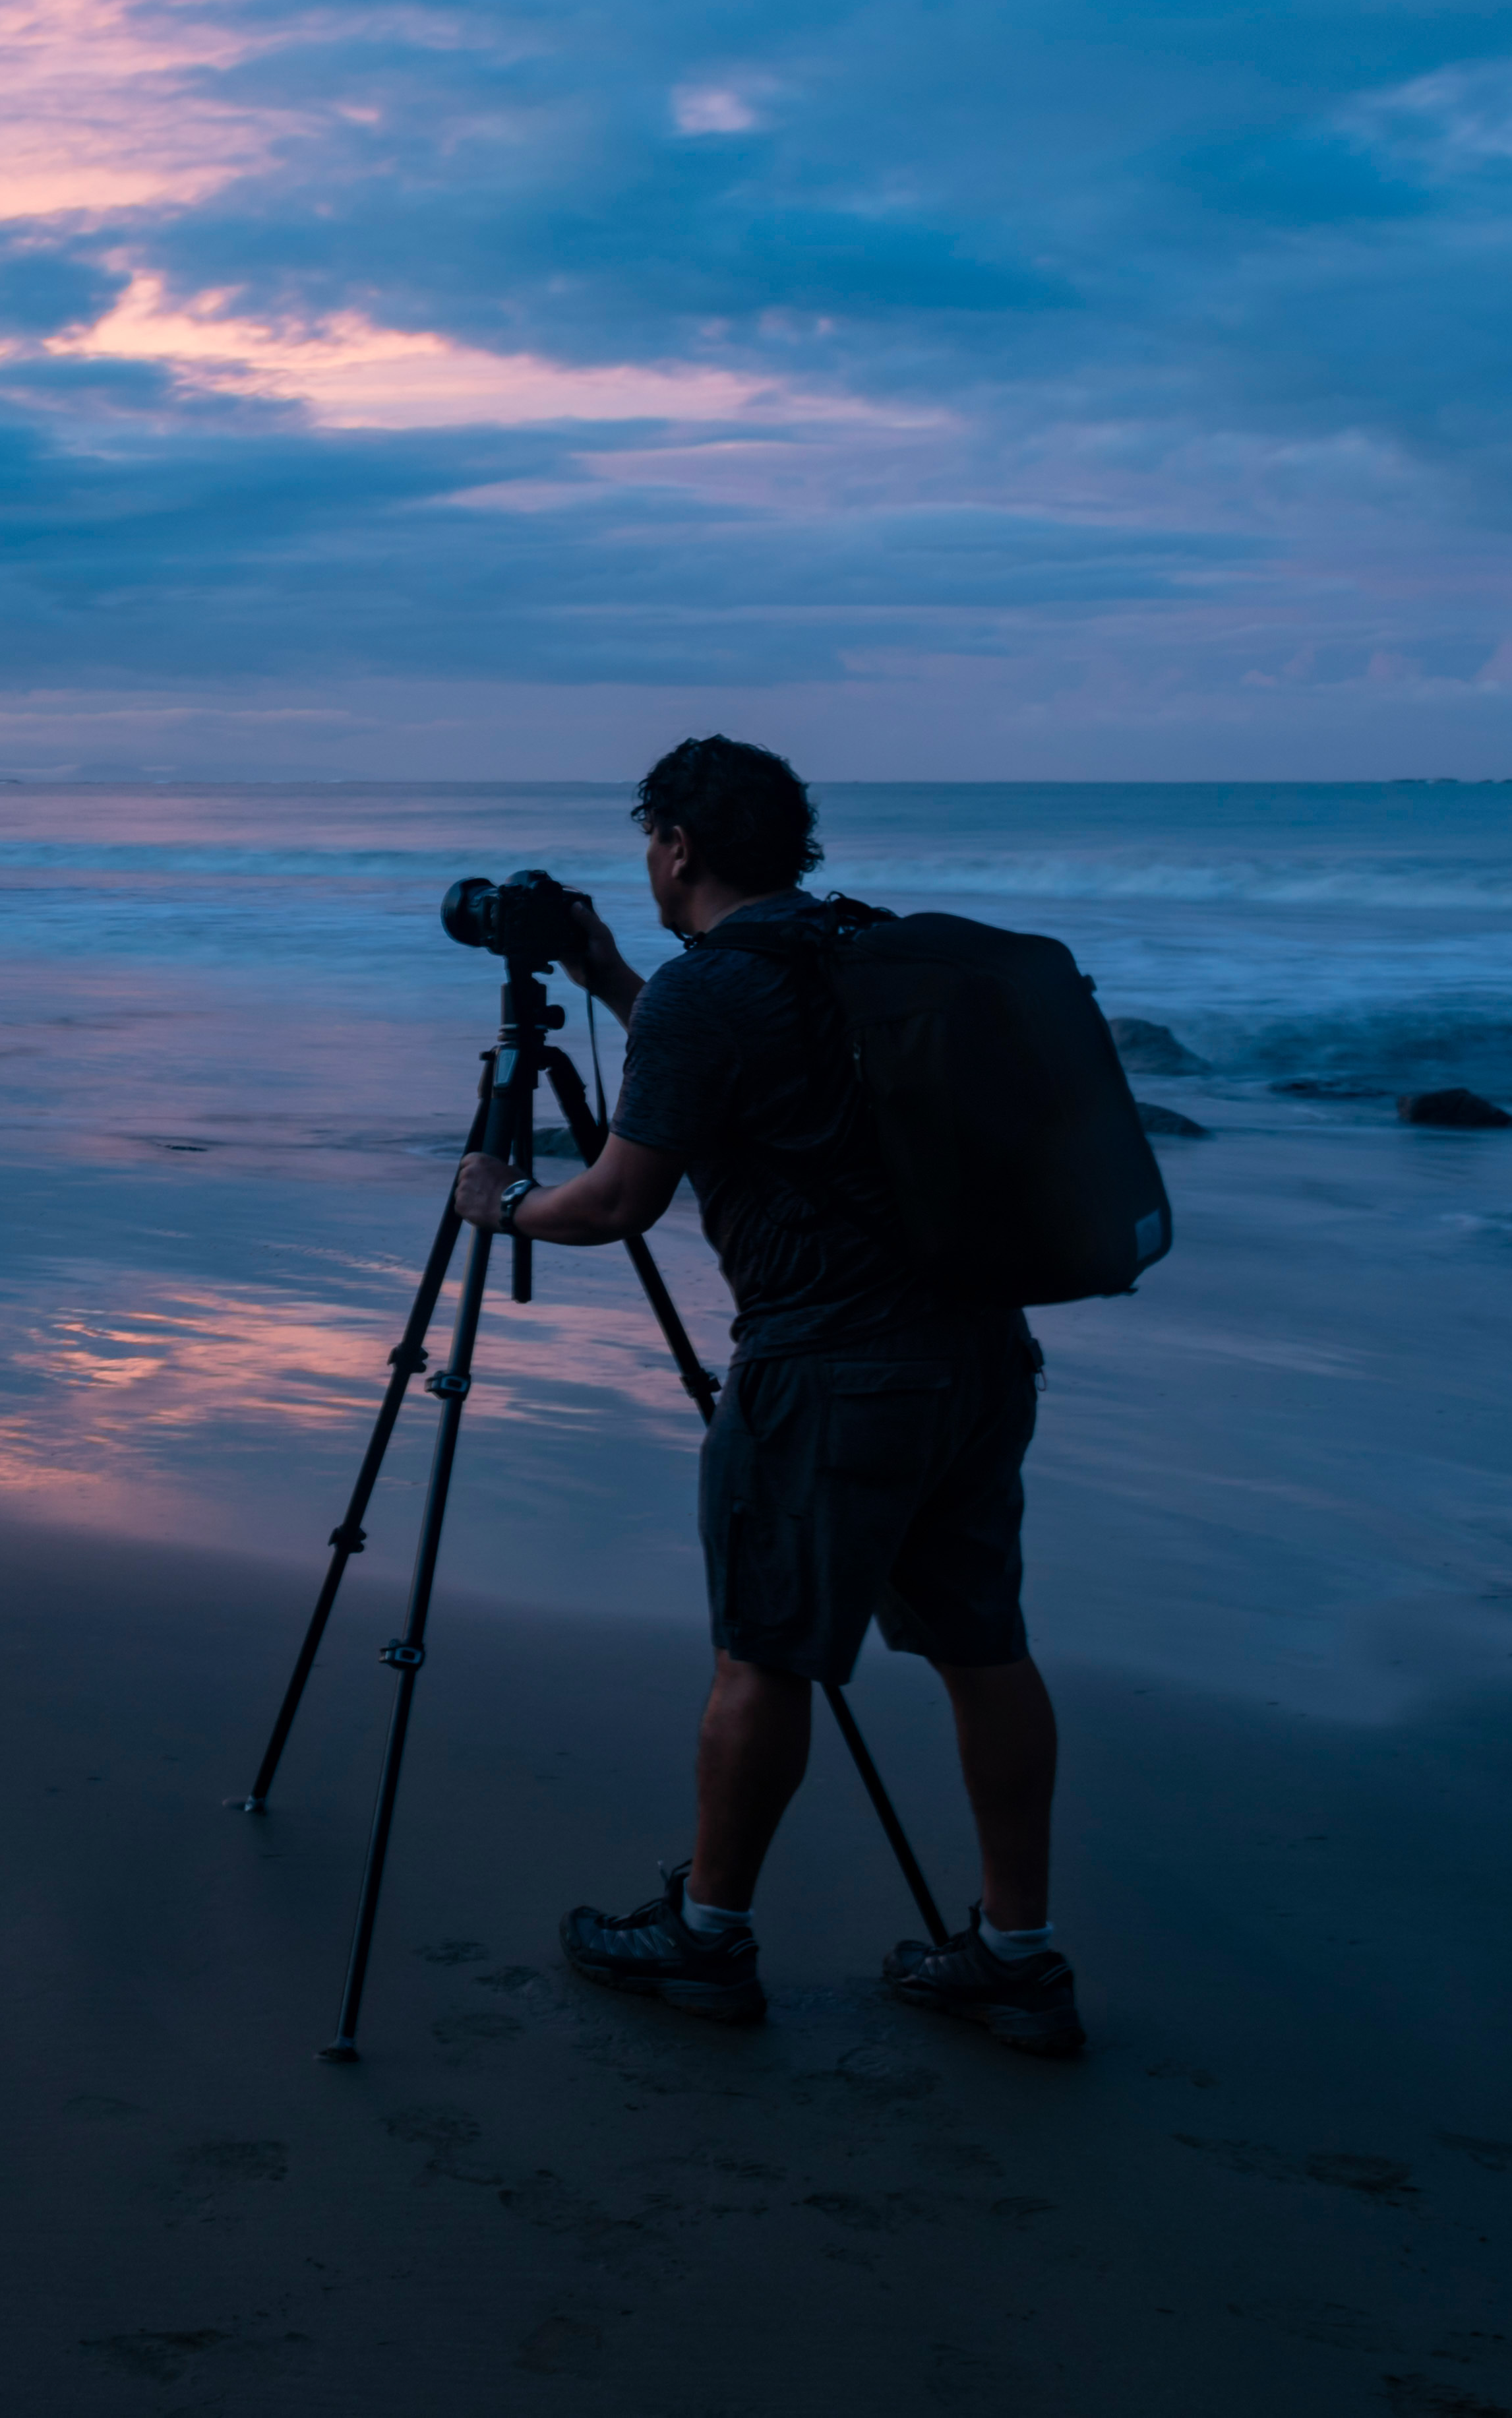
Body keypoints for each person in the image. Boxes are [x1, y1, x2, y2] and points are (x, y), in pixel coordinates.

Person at [442, 735, 1083, 2057]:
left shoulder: (711, 992)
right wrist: (613, 976)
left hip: (831, 1376)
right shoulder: (863, 949)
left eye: (651, 846)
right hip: (976, 1353)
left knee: (763, 1655)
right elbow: (759, 1087)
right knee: (981, 1647)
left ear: (674, 846)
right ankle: (1016, 1956)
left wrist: (503, 1205)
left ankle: (706, 1936)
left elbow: (619, 1199)